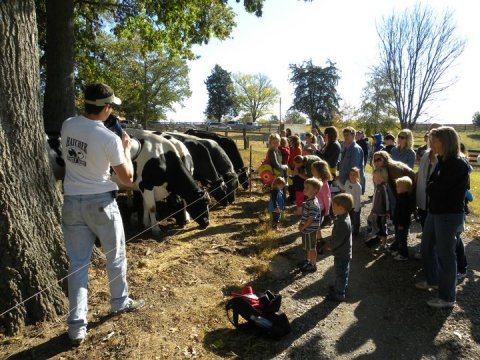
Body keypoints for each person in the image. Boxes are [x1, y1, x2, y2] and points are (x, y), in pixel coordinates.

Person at [61, 83, 145, 346]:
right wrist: (126, 148)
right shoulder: (110, 138)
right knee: (115, 255)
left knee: (77, 264)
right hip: (101, 203)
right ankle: (119, 302)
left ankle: (76, 326)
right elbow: (127, 179)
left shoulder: (68, 125)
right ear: (106, 107)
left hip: (72, 202)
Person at [416, 127, 469, 309]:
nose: (432, 144)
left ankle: (447, 297)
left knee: (446, 255)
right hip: (435, 211)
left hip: (448, 215)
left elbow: (436, 188)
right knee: (426, 246)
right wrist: (433, 186)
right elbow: (433, 185)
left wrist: (432, 186)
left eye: (435, 140)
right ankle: (433, 281)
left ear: (445, 141)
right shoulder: (442, 161)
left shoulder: (457, 164)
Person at [324, 193, 353, 302]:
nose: (332, 208)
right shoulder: (344, 216)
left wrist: (330, 246)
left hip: (342, 253)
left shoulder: (342, 223)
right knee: (342, 271)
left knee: (340, 273)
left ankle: (339, 294)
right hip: (344, 252)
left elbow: (338, 240)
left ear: (341, 208)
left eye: (333, 206)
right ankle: (340, 287)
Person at [298, 178, 323, 273]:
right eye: (304, 187)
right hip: (306, 229)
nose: (304, 189)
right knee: (308, 247)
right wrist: (301, 223)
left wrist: (303, 226)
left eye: (307, 188)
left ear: (315, 190)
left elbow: (311, 218)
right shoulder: (309, 201)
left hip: (310, 230)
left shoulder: (313, 203)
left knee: (312, 248)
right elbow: (306, 216)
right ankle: (308, 261)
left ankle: (313, 264)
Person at [366, 167, 392, 252]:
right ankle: (379, 241)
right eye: (374, 177)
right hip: (376, 212)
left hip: (382, 213)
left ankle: (383, 245)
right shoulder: (377, 187)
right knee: (377, 226)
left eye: (377, 178)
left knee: (382, 228)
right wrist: (372, 210)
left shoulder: (383, 187)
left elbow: (387, 200)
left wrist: (387, 211)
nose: (375, 179)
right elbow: (374, 201)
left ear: (383, 178)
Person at [389, 176, 413, 261]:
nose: (396, 188)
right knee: (398, 237)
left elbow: (405, 214)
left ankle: (404, 254)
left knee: (402, 239)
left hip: (402, 224)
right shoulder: (400, 196)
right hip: (398, 223)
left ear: (405, 189)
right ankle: (398, 250)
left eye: (398, 186)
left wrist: (401, 224)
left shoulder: (405, 199)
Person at [311, 160, 333, 253]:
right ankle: (319, 239)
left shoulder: (323, 184)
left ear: (320, 171)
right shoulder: (316, 180)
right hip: (315, 206)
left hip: (320, 209)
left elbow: (327, 198)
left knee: (316, 226)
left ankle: (319, 242)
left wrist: (327, 212)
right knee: (316, 225)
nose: (312, 170)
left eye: (313, 169)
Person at [338, 127, 365, 194]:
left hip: (351, 183)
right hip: (345, 181)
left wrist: (348, 183)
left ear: (353, 135)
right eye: (344, 135)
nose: (345, 137)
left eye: (347, 135)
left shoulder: (355, 149)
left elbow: (354, 168)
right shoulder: (347, 147)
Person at [338, 167, 362, 236]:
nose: (352, 176)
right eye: (351, 174)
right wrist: (338, 182)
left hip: (355, 207)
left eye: (354, 174)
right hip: (349, 205)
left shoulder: (358, 186)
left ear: (357, 176)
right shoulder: (347, 182)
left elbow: (358, 199)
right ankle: (349, 229)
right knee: (350, 218)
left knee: (356, 220)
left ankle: (356, 231)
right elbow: (344, 189)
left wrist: (357, 209)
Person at [287, 135, 302, 204]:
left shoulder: (298, 149)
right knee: (290, 184)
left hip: (295, 168)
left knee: (294, 183)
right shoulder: (290, 148)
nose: (289, 142)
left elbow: (298, 160)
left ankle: (294, 198)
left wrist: (295, 169)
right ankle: (291, 196)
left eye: (291, 140)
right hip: (289, 167)